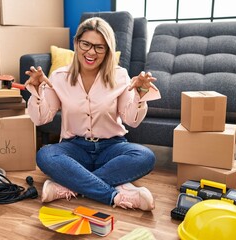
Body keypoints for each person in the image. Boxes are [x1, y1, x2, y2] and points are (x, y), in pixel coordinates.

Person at [24, 17, 161, 211]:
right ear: (76, 43)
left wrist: (141, 94)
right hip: (74, 147)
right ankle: (115, 195)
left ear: (107, 50)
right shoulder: (59, 77)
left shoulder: (119, 75)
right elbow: (41, 118)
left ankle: (66, 185)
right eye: (86, 44)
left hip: (111, 147)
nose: (91, 52)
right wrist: (37, 90)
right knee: (45, 155)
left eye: (99, 47)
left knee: (145, 156)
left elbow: (132, 120)